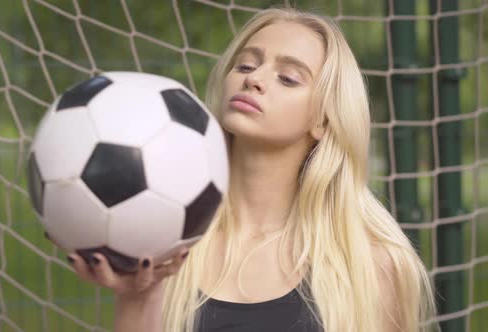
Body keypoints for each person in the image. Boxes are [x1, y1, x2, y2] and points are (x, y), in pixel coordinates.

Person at [66, 7, 437, 332]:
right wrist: (136, 299)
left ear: (323, 120)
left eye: (288, 78)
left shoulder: (372, 263)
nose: (254, 78)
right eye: (246, 64)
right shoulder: (168, 242)